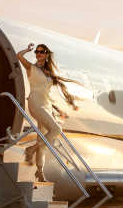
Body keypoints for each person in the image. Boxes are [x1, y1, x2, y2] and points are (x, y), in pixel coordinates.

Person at [16, 43, 79, 182]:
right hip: (35, 103)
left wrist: (58, 109)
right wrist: (27, 50)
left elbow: (48, 93)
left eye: (41, 51)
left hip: (46, 105)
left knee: (43, 140)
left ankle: (39, 172)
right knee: (56, 129)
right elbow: (18, 56)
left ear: (46, 54)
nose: (38, 54)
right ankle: (30, 149)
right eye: (37, 52)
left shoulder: (49, 72)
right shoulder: (31, 68)